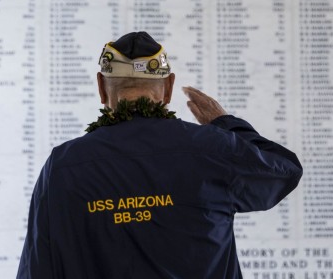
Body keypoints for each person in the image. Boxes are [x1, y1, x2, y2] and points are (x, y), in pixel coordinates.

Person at [17, 31, 302, 279]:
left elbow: (39, 266)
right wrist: (225, 124)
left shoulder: (64, 166)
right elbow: (285, 171)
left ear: (102, 87)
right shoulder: (211, 149)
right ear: (168, 88)